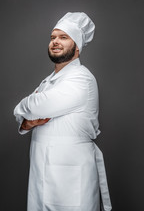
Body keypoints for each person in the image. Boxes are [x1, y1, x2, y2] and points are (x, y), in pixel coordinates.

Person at [14, 12, 112, 211]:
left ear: (77, 46)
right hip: (41, 172)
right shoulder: (48, 81)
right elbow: (29, 113)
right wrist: (27, 121)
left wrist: (27, 105)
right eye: (52, 37)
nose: (55, 42)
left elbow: (34, 106)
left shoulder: (81, 79)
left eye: (63, 37)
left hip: (71, 177)